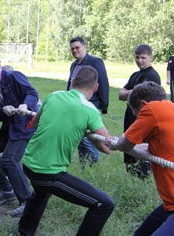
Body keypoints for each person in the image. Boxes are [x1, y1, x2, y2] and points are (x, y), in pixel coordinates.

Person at [18, 66, 115, 236]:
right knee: (104, 204)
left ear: (72, 82)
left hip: (28, 163)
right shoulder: (90, 110)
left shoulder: (53, 96)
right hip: (47, 173)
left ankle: (24, 231)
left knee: (41, 192)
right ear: (96, 87)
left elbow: (34, 124)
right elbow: (106, 148)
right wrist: (94, 134)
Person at [0, 60, 39, 217]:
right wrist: (3, 110)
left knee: (9, 160)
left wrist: (25, 105)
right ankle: (6, 189)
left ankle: (28, 202)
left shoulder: (13, 76)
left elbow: (32, 93)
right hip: (8, 130)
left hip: (24, 128)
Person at [111, 81, 174, 235]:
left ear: (143, 104)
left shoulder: (152, 109)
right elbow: (150, 150)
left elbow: (126, 145)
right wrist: (116, 143)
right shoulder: (168, 110)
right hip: (170, 204)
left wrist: (117, 144)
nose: (138, 121)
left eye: (136, 115)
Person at [118, 44, 160, 178]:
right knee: (129, 148)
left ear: (151, 58)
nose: (140, 61)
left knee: (142, 150)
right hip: (130, 117)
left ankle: (144, 178)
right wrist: (134, 90)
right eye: (137, 57)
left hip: (143, 119)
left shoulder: (152, 75)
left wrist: (130, 92)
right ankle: (132, 177)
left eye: (143, 58)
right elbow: (120, 94)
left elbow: (144, 99)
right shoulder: (135, 75)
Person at [67, 36, 109, 165]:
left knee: (90, 139)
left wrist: (103, 106)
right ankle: (84, 166)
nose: (75, 50)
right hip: (74, 106)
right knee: (81, 138)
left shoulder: (95, 62)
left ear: (84, 47)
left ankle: (92, 166)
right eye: (72, 49)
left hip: (90, 105)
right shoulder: (74, 65)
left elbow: (103, 83)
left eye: (77, 47)